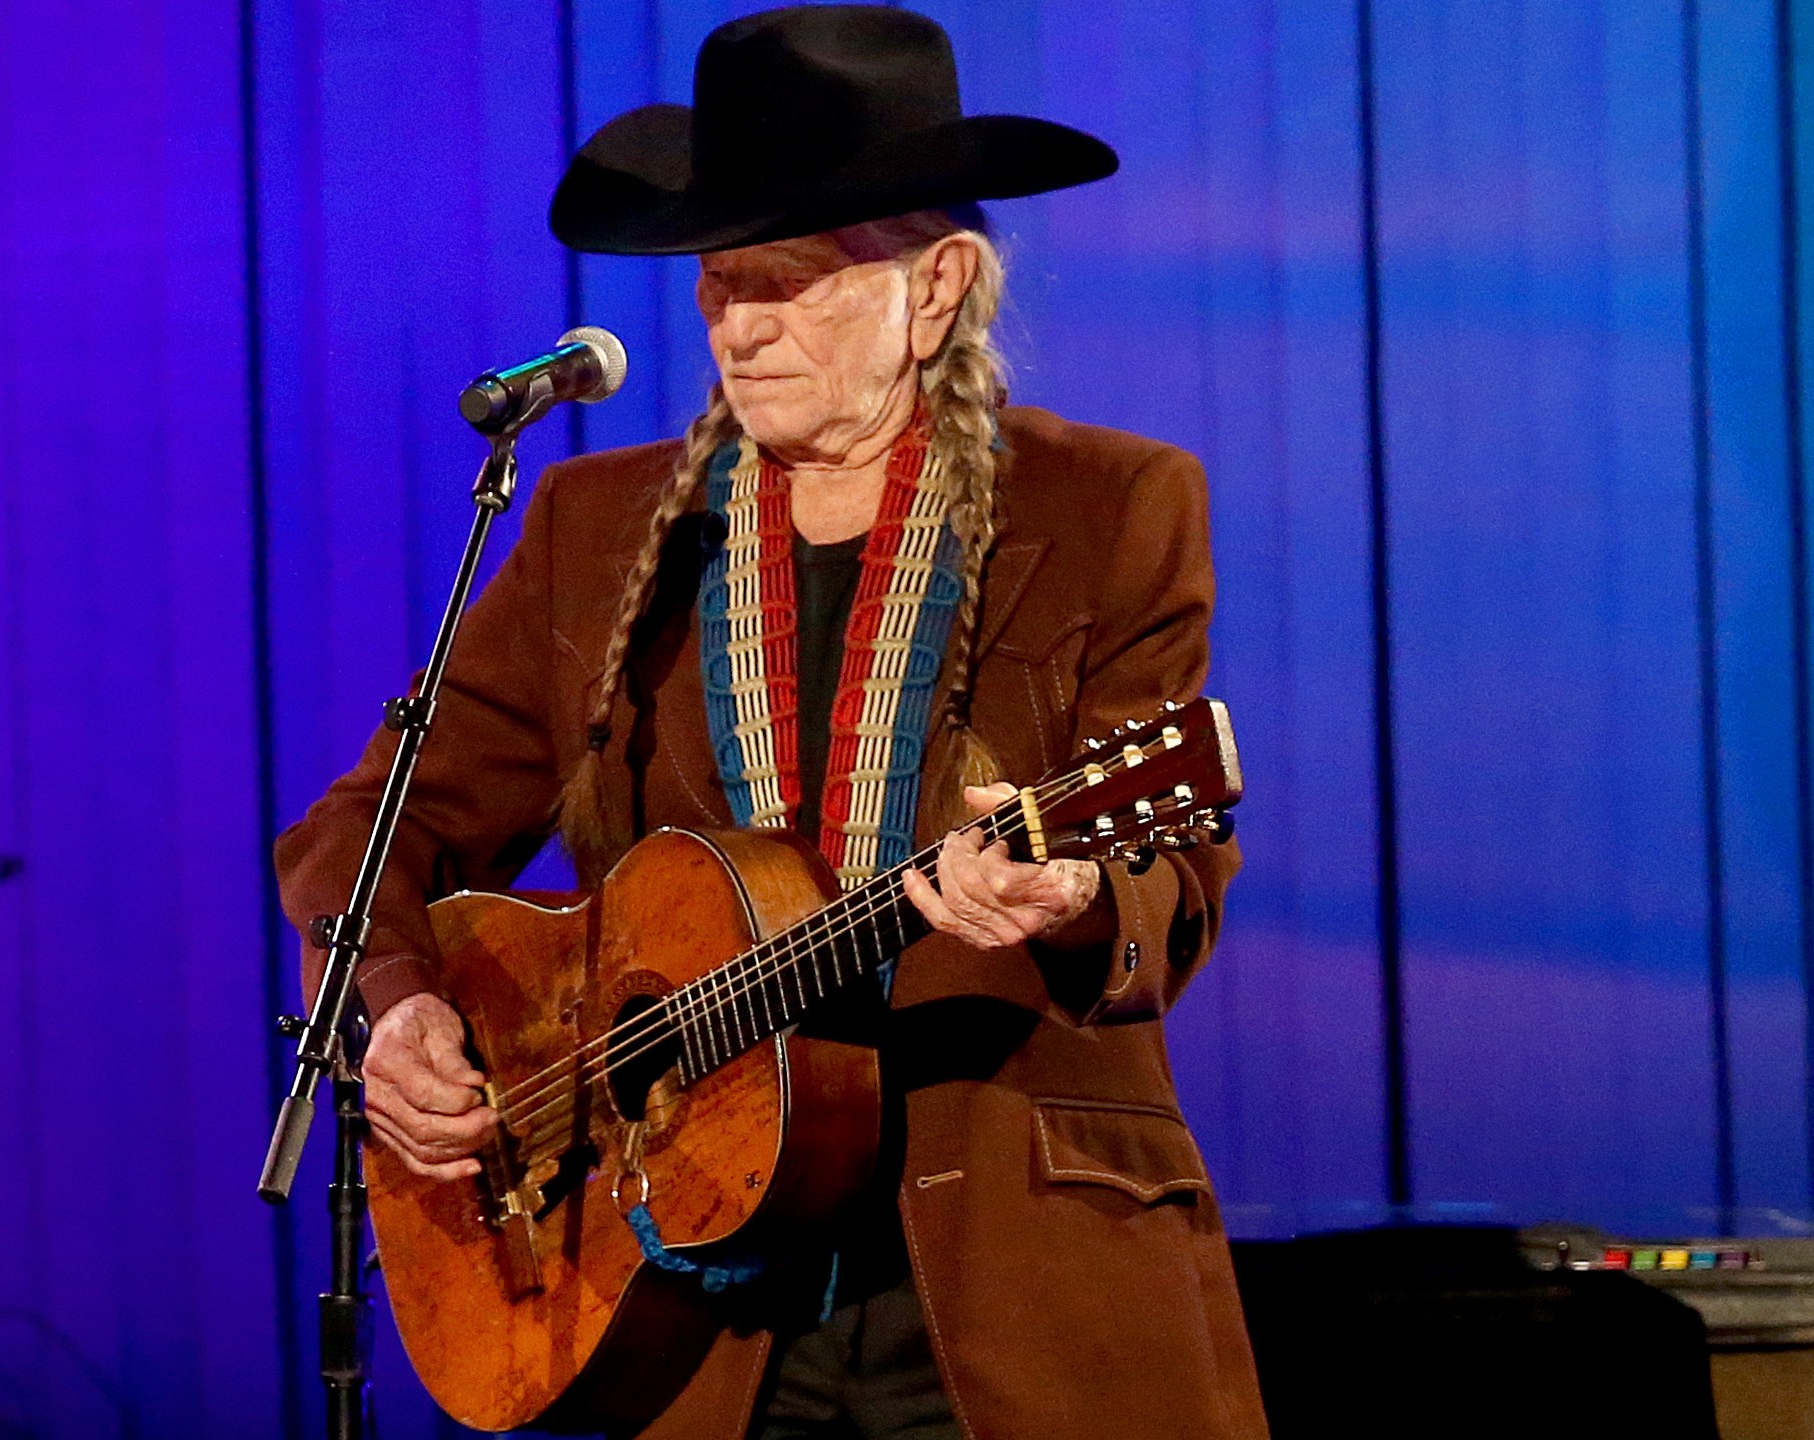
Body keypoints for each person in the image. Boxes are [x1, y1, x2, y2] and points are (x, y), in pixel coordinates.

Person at [273, 8, 1267, 1438]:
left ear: (940, 288)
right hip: (696, 1304)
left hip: (1005, 1277)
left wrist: (1065, 894)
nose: (739, 325)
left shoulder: (1112, 505)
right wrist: (406, 1005)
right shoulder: (596, 528)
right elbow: (367, 831)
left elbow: (1170, 891)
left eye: (791, 281)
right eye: (720, 282)